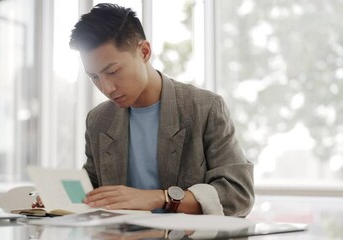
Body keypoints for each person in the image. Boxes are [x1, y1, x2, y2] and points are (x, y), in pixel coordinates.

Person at [69, 3, 254, 216]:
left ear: (144, 52)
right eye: (94, 77)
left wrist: (161, 197)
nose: (106, 88)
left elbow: (239, 195)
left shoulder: (205, 108)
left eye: (112, 71)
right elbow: (92, 191)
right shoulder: (98, 120)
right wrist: (55, 200)